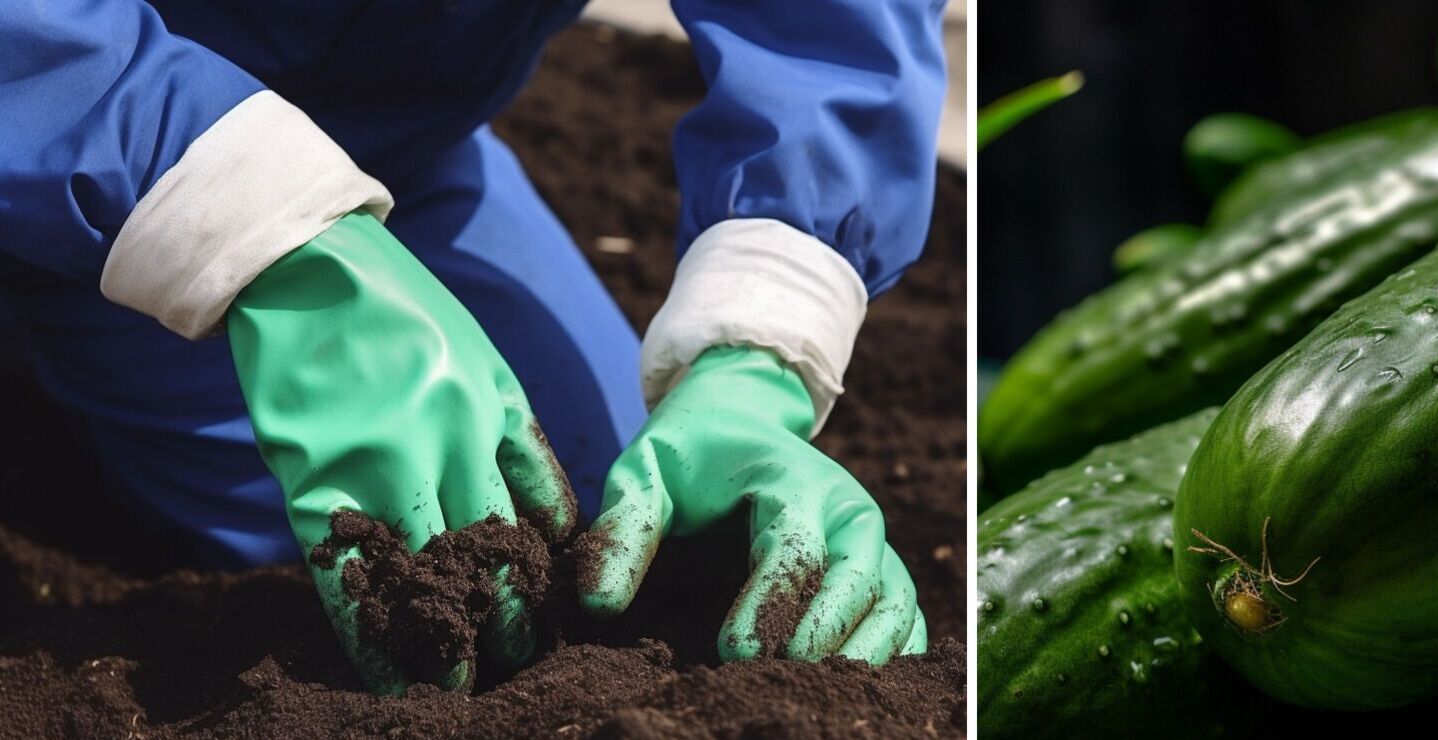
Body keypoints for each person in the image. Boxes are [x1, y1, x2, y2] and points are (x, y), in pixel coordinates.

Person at [0, 0, 943, 693]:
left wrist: (760, 349)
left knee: (582, 520)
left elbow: (837, 31)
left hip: (388, 141)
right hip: (82, 79)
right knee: (344, 546)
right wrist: (232, 219)